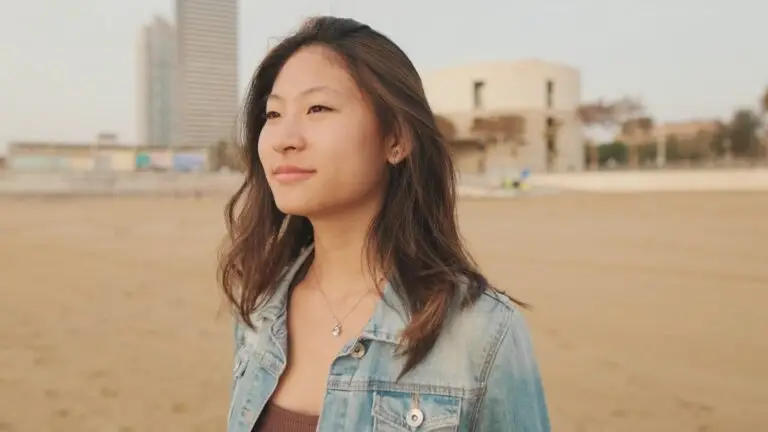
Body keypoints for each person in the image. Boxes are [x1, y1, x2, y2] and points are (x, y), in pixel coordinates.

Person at [218, 16, 550, 432]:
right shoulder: (260, 309)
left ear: (396, 139)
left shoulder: (480, 332)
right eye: (273, 113)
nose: (285, 137)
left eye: (317, 108)